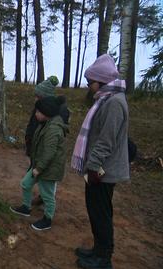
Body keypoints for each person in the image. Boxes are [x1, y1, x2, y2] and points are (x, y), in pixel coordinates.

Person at [72, 54, 130, 269]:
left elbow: (106, 140)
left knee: (101, 213)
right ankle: (98, 250)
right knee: (95, 210)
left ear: (101, 81)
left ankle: (104, 258)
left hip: (103, 169)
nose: (89, 86)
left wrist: (93, 166)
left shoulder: (114, 103)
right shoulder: (106, 99)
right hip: (97, 167)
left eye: (90, 82)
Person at [10, 96, 69, 231]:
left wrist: (39, 168)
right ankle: (26, 207)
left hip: (48, 169)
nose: (35, 114)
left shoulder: (53, 129)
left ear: (46, 113)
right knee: (25, 183)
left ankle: (47, 219)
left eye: (38, 112)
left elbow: (49, 152)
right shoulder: (45, 124)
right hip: (39, 165)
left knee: (47, 196)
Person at [25, 76, 70, 206]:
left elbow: (56, 135)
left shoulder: (59, 112)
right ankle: (42, 196)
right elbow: (32, 124)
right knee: (36, 172)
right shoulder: (39, 107)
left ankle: (47, 199)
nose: (36, 99)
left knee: (48, 176)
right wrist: (29, 138)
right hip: (36, 146)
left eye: (38, 96)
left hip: (46, 148)